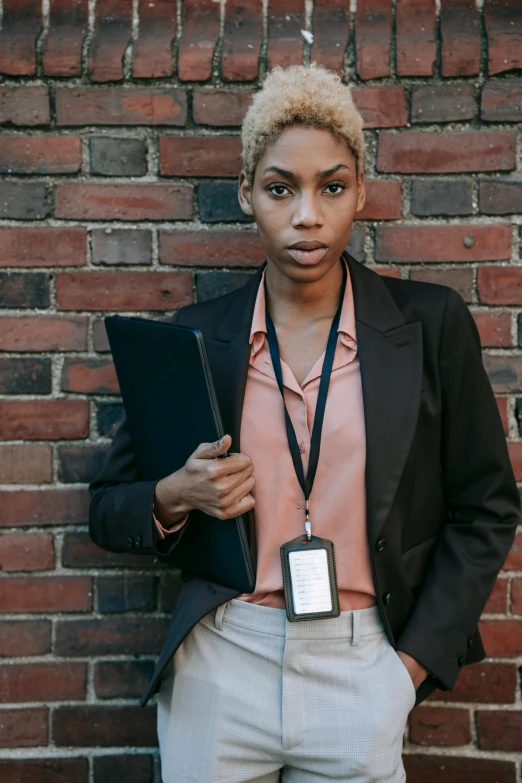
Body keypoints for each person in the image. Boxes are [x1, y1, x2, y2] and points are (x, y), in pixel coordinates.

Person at [88, 63, 520, 783]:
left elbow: (487, 505)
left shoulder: (428, 325)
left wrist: (404, 671)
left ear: (360, 191)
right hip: (225, 663)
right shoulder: (195, 340)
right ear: (247, 194)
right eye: (281, 188)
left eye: (333, 186)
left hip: (362, 663)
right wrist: (174, 495)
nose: (307, 215)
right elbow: (108, 506)